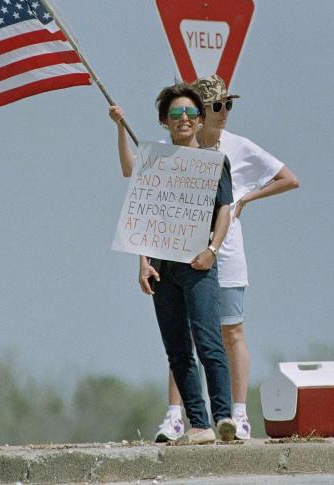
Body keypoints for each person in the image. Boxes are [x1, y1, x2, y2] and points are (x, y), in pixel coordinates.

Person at [140, 74, 299, 442]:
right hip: (176, 256)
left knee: (227, 332)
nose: (223, 112)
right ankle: (181, 415)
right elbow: (143, 201)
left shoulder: (236, 149)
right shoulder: (167, 150)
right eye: (217, 106)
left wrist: (244, 199)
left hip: (223, 255)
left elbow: (288, 178)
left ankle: (234, 414)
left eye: (228, 105)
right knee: (184, 340)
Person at [108, 83, 236, 444]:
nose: (184, 119)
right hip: (163, 267)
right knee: (178, 348)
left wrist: (213, 248)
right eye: (176, 114)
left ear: (200, 120)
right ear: (165, 121)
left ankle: (224, 417)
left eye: (191, 113)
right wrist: (143, 263)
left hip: (198, 265)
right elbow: (140, 204)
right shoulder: (156, 160)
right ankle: (198, 423)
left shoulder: (215, 161)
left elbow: (224, 209)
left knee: (210, 341)